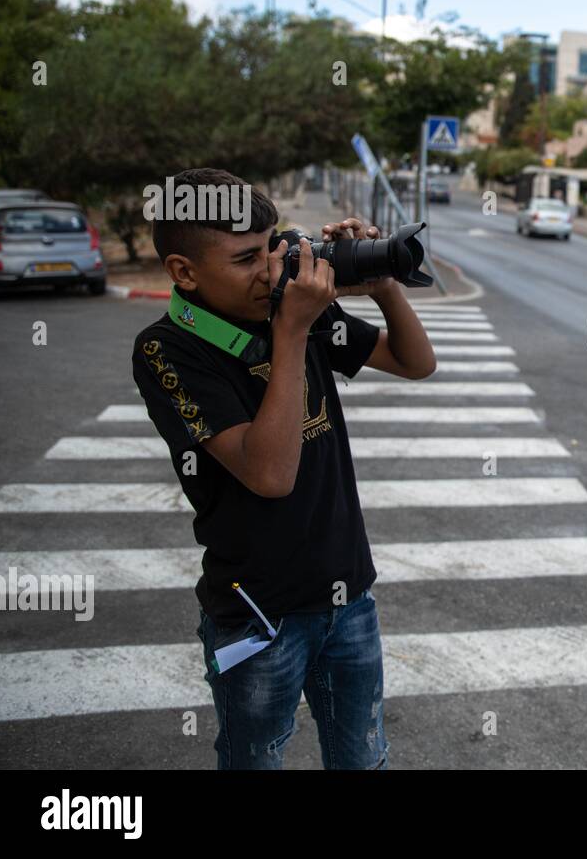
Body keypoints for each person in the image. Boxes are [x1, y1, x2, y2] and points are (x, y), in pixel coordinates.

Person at [132, 167, 436, 769]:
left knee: (364, 759)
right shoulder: (168, 349)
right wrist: (291, 330)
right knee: (255, 760)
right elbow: (269, 474)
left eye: (273, 247)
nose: (271, 270)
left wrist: (382, 286)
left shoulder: (295, 310)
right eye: (245, 259)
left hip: (348, 594)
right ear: (183, 273)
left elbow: (414, 362)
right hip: (257, 612)